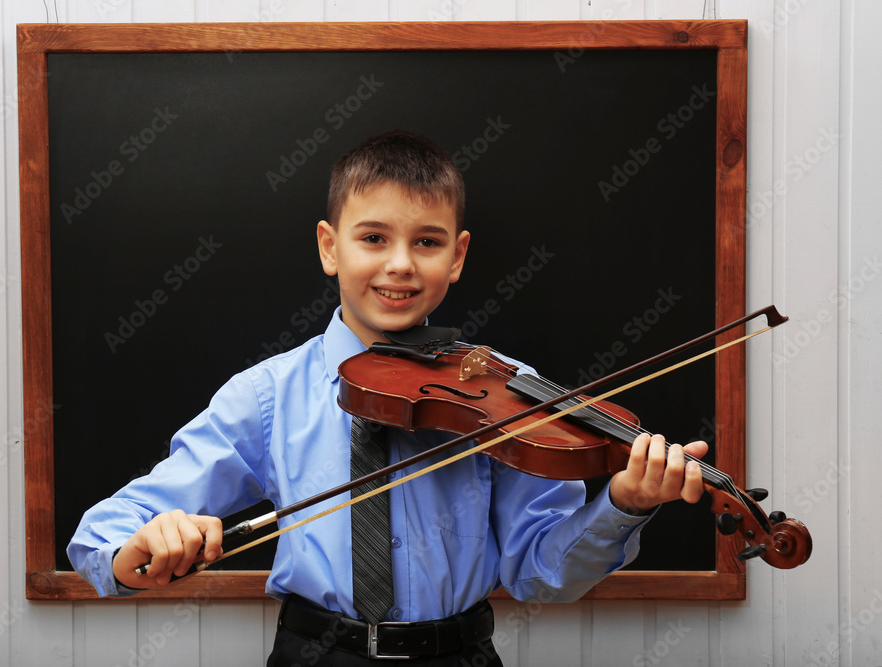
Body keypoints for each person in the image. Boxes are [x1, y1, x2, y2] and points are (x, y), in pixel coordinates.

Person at [68, 129, 707, 666]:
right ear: (329, 247)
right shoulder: (268, 397)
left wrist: (623, 504)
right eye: (373, 238)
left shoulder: (503, 389)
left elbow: (545, 575)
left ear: (456, 257)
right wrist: (144, 547)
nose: (399, 264)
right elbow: (102, 534)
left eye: (426, 242)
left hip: (458, 654)